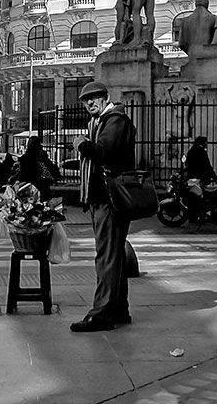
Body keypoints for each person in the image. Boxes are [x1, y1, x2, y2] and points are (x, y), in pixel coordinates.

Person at [70, 81, 136, 332]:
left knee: (106, 256)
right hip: (106, 198)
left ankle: (101, 314)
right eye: (86, 100)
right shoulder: (104, 122)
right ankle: (119, 309)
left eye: (95, 98)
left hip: (110, 200)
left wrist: (82, 144)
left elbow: (106, 153)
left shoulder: (115, 120)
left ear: (106, 98)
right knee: (114, 254)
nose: (90, 103)